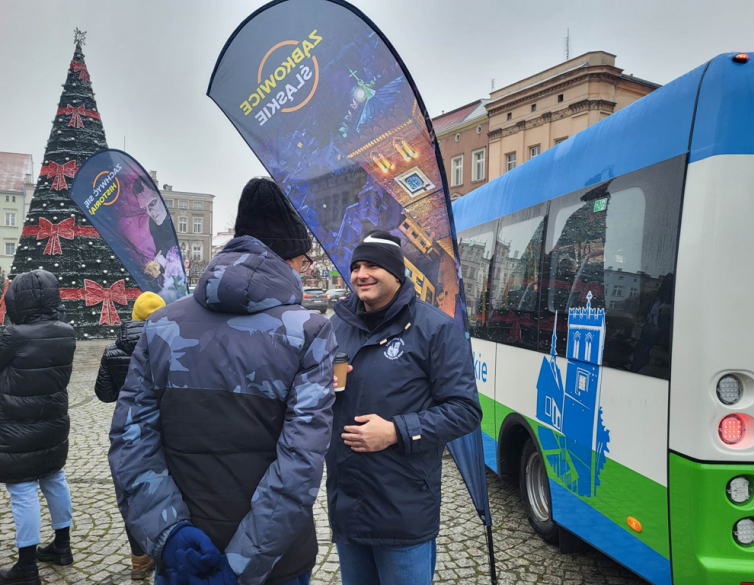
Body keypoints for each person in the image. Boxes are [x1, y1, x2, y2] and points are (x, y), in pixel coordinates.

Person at [109, 177, 337, 585]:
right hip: (276, 566)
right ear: (289, 259)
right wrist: (239, 565)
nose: (306, 270)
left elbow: (131, 441)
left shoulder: (160, 325)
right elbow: (299, 464)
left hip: (183, 558)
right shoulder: (311, 332)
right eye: (305, 261)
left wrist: (171, 538)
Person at [327, 230, 482, 585]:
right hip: (347, 503)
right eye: (356, 266)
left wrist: (396, 431)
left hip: (403, 507)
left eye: (372, 266)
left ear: (397, 274)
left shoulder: (435, 329)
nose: (361, 274)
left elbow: (465, 410)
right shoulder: (336, 326)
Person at [0, 270, 76, 585]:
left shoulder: (12, 335)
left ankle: (27, 567)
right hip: (54, 421)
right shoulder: (67, 331)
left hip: (17, 426)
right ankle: (62, 546)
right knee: (54, 478)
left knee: (22, 489)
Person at [94, 291, 166, 580]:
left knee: (131, 494)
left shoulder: (113, 350)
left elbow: (104, 394)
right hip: (165, 430)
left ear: (134, 316)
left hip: (127, 431)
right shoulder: (168, 347)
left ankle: (139, 559)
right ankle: (166, 551)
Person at [131, 176, 187, 302]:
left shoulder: (168, 222)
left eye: (152, 203)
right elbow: (160, 252)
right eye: (145, 209)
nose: (151, 212)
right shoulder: (153, 223)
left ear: (159, 196)